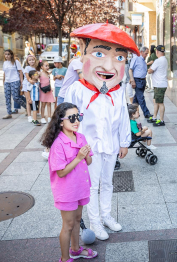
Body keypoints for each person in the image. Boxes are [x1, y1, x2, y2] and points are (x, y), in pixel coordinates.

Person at [64, 23, 135, 241]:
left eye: (119, 58)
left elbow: (123, 116)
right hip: (89, 149)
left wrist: (124, 142)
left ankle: (106, 215)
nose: (109, 65)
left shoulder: (117, 90)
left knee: (108, 182)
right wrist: (73, 147)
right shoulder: (78, 89)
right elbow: (67, 120)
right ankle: (94, 220)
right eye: (98, 54)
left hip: (111, 144)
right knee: (92, 185)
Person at [41, 102, 97, 262]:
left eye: (78, 116)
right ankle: (65, 258)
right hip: (66, 191)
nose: (76, 121)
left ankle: (75, 250)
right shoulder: (58, 144)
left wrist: (86, 156)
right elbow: (61, 172)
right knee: (68, 225)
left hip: (80, 186)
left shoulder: (80, 137)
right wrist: (79, 157)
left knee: (78, 219)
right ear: (60, 121)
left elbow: (89, 161)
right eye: (71, 118)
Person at [129, 46, 152, 119]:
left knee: (137, 99)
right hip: (137, 80)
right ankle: (146, 113)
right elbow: (130, 69)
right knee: (141, 98)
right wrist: (132, 80)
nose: (146, 55)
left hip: (142, 81)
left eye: (147, 53)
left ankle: (130, 111)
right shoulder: (136, 58)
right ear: (141, 52)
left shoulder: (143, 60)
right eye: (145, 53)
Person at [2, 49, 26, 119]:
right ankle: (9, 113)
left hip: (15, 81)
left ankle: (27, 108)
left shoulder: (16, 62)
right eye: (5, 54)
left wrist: (22, 82)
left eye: (8, 54)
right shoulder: (5, 63)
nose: (7, 55)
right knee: (7, 98)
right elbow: (5, 72)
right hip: (7, 82)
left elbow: (20, 72)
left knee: (16, 98)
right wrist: (3, 81)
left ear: (11, 55)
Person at [147, 45, 168, 127]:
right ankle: (155, 117)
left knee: (160, 103)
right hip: (159, 84)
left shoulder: (158, 61)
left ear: (157, 52)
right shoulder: (164, 59)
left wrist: (150, 67)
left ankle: (161, 120)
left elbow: (149, 71)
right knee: (155, 101)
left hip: (160, 84)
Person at [23, 55, 37, 122]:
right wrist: (31, 81)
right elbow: (27, 77)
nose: (31, 61)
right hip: (27, 85)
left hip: (33, 86)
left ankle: (35, 113)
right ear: (28, 61)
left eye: (32, 60)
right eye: (30, 60)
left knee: (33, 100)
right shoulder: (27, 68)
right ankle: (29, 115)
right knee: (28, 100)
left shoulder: (35, 68)